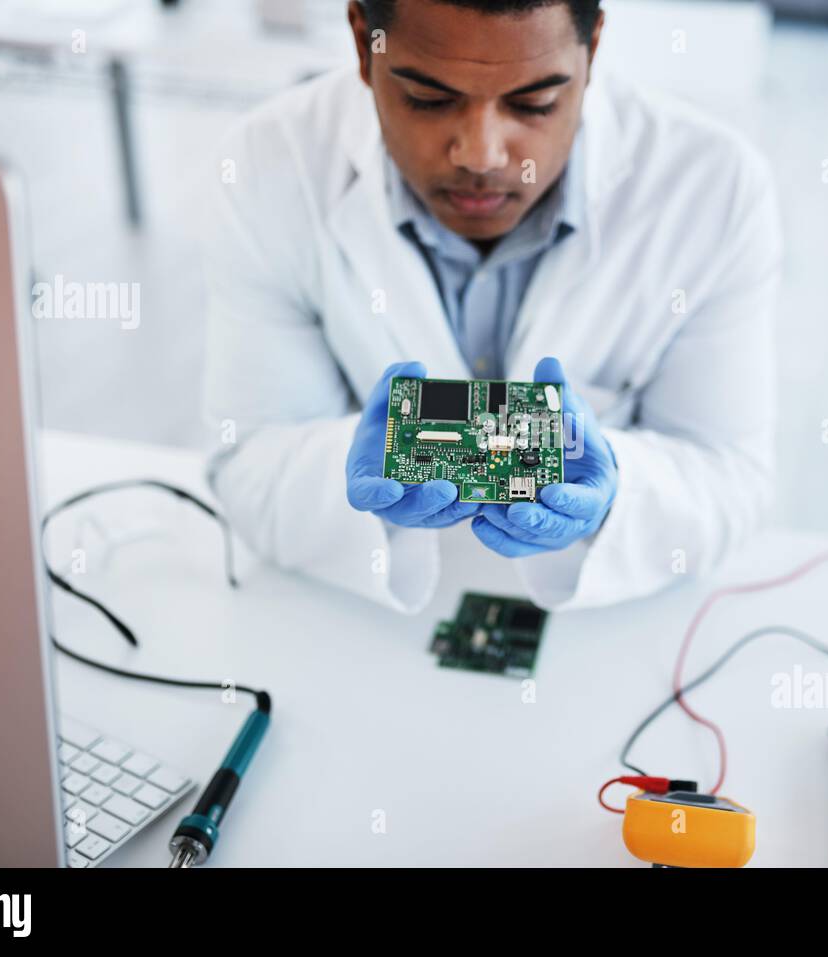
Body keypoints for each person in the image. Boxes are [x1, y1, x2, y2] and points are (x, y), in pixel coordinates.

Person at [201, 0, 782, 612]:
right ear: (361, 43)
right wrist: (347, 465)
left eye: (534, 103)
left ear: (594, 47)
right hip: (363, 610)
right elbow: (248, 463)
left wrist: (618, 489)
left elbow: (729, 480)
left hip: (609, 620)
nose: (481, 156)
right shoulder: (269, 166)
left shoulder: (714, 188)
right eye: (427, 98)